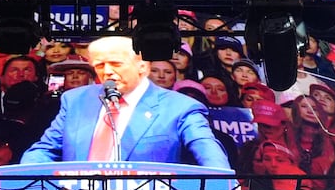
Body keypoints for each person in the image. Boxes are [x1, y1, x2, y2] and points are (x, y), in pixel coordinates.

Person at [20, 35, 229, 168]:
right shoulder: (75, 100)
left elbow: (206, 149)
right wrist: (22, 179)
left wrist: (221, 183)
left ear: (142, 67)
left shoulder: (180, 107)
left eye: (116, 64)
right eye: (100, 65)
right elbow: (44, 150)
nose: (107, 71)